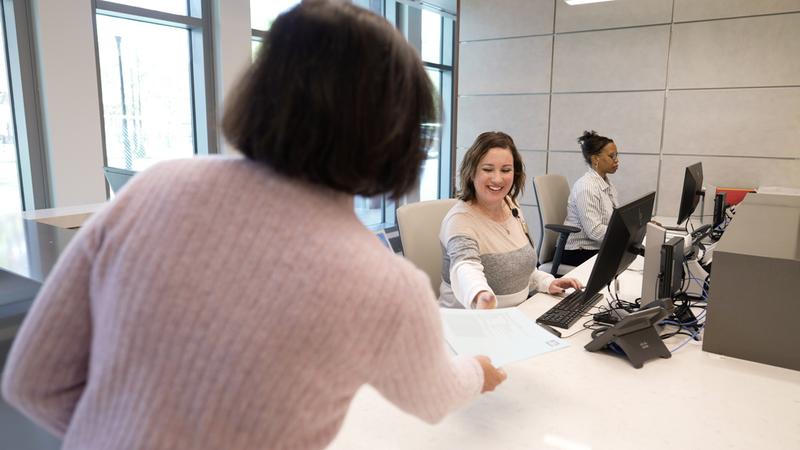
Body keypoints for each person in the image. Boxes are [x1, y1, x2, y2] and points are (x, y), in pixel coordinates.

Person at [1, 2, 506, 449]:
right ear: (394, 132)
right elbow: (433, 396)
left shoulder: (154, 186)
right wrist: (478, 372)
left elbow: (31, 381)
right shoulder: (386, 285)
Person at [439, 131, 582, 309]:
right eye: (487, 169)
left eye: (506, 170)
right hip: (469, 323)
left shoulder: (510, 205)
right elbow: (465, 267)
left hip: (516, 315)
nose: (498, 179)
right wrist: (480, 295)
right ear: (471, 172)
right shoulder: (460, 220)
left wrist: (546, 283)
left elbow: (521, 269)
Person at [562, 130, 621, 266]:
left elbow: (613, 220)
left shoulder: (607, 184)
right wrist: (624, 233)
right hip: (578, 252)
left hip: (597, 247)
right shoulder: (586, 187)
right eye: (612, 156)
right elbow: (594, 232)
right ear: (595, 159)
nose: (617, 160)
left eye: (616, 155)